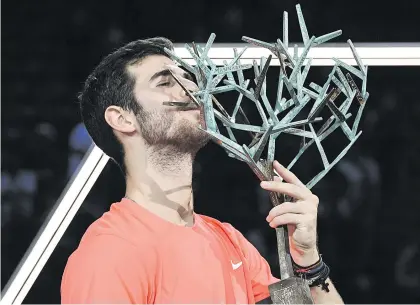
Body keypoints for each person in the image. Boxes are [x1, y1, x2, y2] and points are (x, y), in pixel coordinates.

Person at [61, 37, 344, 304]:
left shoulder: (229, 241)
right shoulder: (110, 252)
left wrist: (309, 262)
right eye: (165, 82)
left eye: (187, 78)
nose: (193, 89)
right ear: (122, 119)